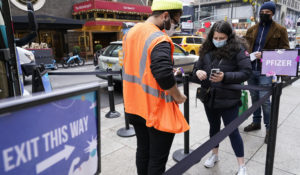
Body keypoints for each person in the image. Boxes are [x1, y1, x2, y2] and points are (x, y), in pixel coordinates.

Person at [122, 0, 190, 174]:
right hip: (155, 110)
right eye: (176, 20)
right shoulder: (159, 38)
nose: (175, 25)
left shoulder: (131, 33)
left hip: (134, 107)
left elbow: (140, 64)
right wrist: (178, 96)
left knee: (143, 151)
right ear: (165, 15)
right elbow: (163, 75)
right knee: (157, 159)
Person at [193, 20, 252, 175]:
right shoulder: (206, 49)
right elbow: (197, 67)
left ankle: (242, 165)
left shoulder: (238, 49)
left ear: (228, 37)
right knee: (214, 128)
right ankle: (214, 155)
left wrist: (225, 76)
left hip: (229, 99)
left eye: (221, 38)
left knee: (232, 131)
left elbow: (246, 72)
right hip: (209, 97)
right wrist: (197, 72)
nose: (218, 41)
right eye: (215, 37)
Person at [244, 1, 289, 143]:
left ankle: (269, 129)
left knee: (265, 101)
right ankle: (256, 122)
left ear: (272, 13)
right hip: (251, 69)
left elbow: (285, 51)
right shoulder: (252, 29)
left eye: (267, 13)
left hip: (267, 70)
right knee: (254, 97)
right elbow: (245, 46)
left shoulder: (280, 30)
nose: (263, 14)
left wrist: (265, 54)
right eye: (262, 12)